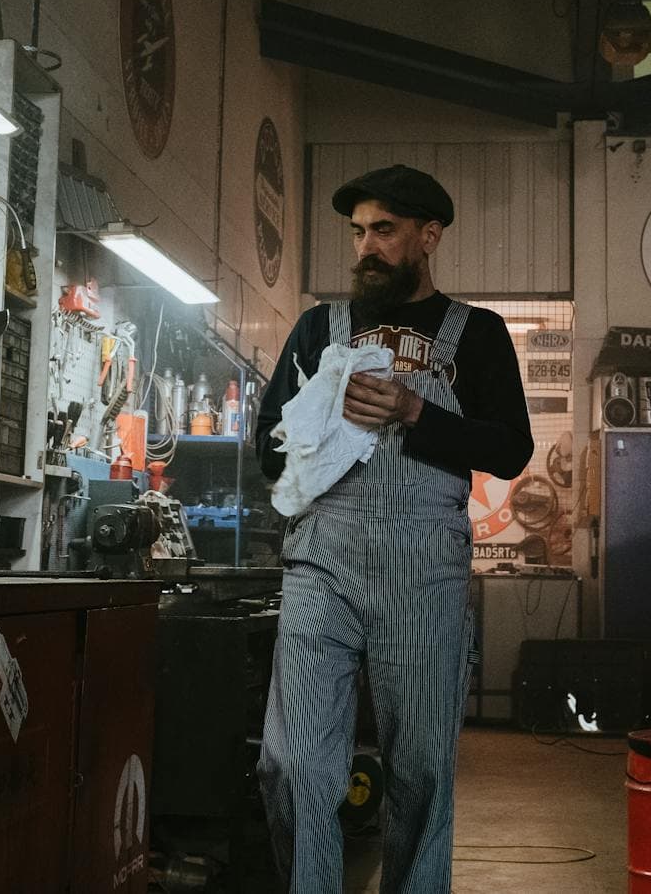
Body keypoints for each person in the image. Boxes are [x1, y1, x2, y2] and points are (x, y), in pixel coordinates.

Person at [254, 164, 533, 892]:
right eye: (358, 231)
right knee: (293, 762)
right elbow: (265, 448)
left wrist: (416, 413)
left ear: (427, 236)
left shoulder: (475, 334)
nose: (365, 247)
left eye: (383, 230)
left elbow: (510, 448)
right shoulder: (319, 328)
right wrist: (319, 420)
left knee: (421, 770)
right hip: (324, 560)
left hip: (424, 567)